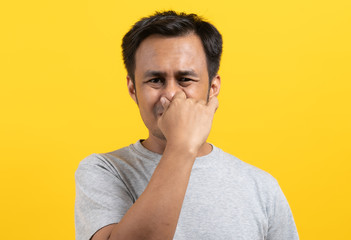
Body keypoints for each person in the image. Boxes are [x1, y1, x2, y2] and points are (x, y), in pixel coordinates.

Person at [75, 10, 299, 240]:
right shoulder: (103, 170)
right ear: (133, 89)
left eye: (185, 79)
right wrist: (181, 145)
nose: (171, 95)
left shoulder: (262, 188)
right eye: (155, 80)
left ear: (212, 87)